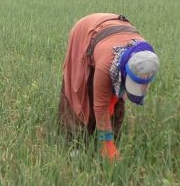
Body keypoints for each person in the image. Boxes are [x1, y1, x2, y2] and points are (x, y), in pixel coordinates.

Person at [58, 13, 160, 161]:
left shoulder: (145, 59)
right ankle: (77, 144)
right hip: (86, 32)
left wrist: (113, 101)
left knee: (115, 100)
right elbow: (100, 105)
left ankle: (108, 139)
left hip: (114, 32)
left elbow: (122, 87)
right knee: (80, 93)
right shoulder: (107, 63)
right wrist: (107, 144)